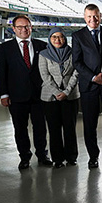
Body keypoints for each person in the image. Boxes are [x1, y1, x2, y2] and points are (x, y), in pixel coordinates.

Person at [0, 15, 51, 170]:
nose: (24, 30)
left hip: (39, 96)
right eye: (20, 27)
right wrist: (4, 94)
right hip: (16, 96)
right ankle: (25, 157)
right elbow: (1, 73)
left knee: (40, 128)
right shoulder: (4, 48)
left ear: (31, 27)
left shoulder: (42, 46)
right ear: (13, 29)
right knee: (20, 129)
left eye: (26, 26)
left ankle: (42, 155)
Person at [72, 4, 102, 169]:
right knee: (90, 123)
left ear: (100, 16)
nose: (93, 19)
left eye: (96, 16)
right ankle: (93, 156)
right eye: (89, 16)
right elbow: (76, 62)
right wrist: (93, 77)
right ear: (84, 18)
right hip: (89, 85)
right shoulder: (77, 36)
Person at [38, 27, 80, 169]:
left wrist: (66, 92)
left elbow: (76, 73)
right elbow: (45, 76)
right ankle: (57, 159)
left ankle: (71, 157)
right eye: (54, 37)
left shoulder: (73, 53)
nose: (57, 39)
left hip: (71, 96)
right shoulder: (43, 54)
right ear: (49, 39)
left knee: (70, 128)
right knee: (54, 129)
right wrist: (57, 93)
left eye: (60, 36)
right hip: (50, 98)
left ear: (65, 38)